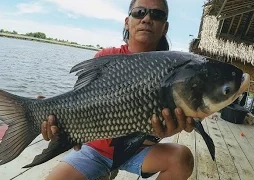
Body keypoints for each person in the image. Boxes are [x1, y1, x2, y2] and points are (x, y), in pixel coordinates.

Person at [39, 0, 195, 179]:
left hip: (138, 151)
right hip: (94, 149)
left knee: (182, 158)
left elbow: (154, 127)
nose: (146, 18)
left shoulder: (171, 69)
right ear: (127, 21)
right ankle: (104, 171)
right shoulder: (105, 57)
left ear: (165, 27)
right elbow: (81, 101)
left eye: (157, 14)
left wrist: (166, 131)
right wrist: (54, 115)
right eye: (139, 12)